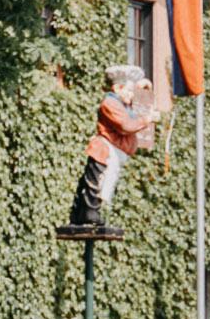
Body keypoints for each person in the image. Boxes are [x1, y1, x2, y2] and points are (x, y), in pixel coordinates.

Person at [67, 68, 160, 231]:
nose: (132, 95)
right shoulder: (110, 104)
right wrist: (147, 119)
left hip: (115, 152)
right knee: (97, 181)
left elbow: (129, 95)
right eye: (129, 91)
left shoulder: (121, 102)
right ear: (117, 88)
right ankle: (88, 213)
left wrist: (140, 86)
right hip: (105, 149)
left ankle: (88, 213)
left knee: (104, 182)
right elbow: (125, 126)